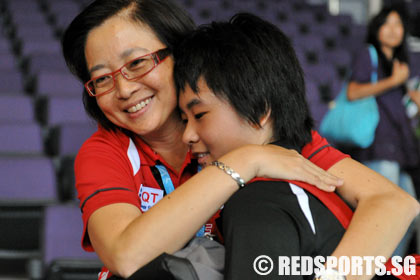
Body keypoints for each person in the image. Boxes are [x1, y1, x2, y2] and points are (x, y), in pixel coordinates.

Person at [61, 0, 419, 278]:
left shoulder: (249, 125)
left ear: (179, 55)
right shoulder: (104, 152)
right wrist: (244, 162)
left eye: (137, 63)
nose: (124, 89)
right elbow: (126, 255)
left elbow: (393, 202)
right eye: (103, 79)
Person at [174, 13, 418, 279]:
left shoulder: (260, 200)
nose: (187, 135)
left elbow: (397, 202)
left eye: (199, 116)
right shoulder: (288, 166)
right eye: (183, 119)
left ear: (258, 111)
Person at [346, 6, 420, 256]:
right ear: (377, 28)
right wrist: (394, 82)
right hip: (379, 144)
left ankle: (390, 268)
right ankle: (375, 269)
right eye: (386, 24)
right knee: (385, 214)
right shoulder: (369, 54)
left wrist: (412, 99)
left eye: (398, 25)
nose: (392, 30)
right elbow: (353, 92)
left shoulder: (399, 63)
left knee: (410, 213)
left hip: (399, 147)